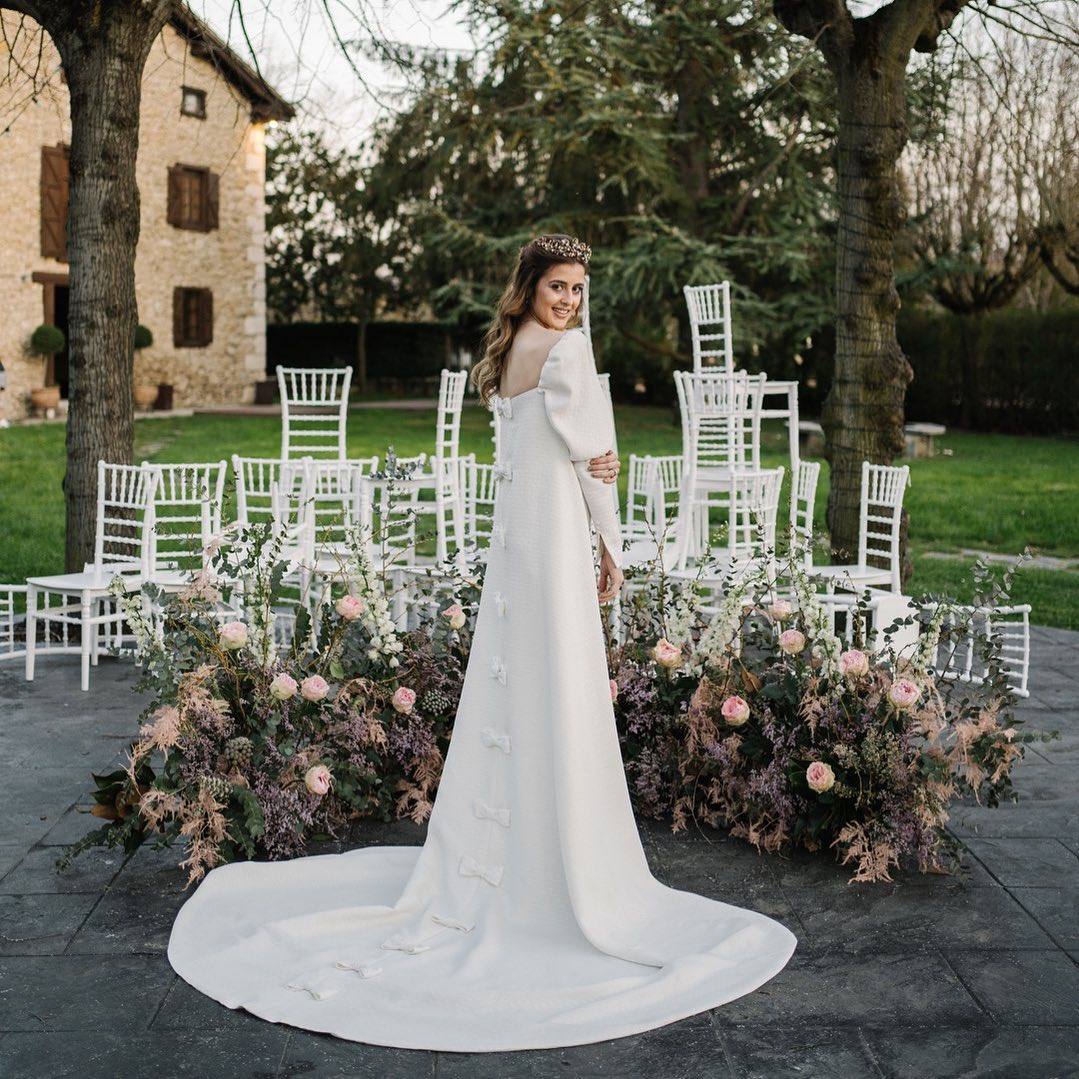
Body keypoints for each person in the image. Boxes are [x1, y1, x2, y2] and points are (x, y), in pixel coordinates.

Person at [167, 234, 797, 1052]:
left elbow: (556, 445)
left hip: (514, 543)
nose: (569, 301)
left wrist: (593, 481)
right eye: (558, 286)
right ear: (530, 285)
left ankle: (515, 836)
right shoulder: (568, 353)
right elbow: (595, 463)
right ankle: (557, 852)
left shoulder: (508, 352)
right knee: (557, 679)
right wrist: (611, 543)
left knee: (518, 680)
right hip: (552, 535)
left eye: (578, 289)